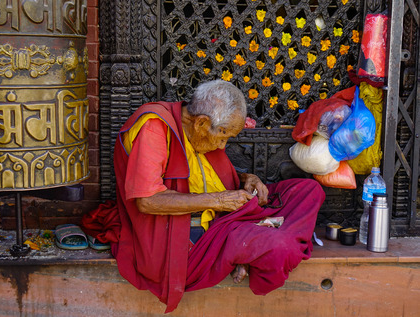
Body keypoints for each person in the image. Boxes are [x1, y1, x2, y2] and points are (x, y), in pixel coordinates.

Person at [81, 80, 325, 313]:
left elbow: (202, 174)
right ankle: (252, 246)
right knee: (280, 248)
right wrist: (219, 200)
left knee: (308, 191)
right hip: (189, 231)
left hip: (226, 215)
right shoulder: (155, 127)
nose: (222, 146)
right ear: (200, 123)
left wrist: (245, 178)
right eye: (223, 136)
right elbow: (147, 200)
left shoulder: (198, 132)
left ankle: (251, 245)